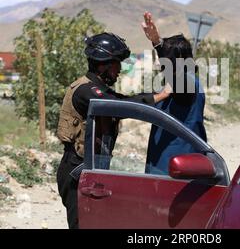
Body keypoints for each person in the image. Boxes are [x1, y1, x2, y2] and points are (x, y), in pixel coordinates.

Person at [56, 32, 171, 229]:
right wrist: (159, 96)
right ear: (104, 64)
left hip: (92, 170)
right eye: (117, 63)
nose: (120, 69)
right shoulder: (87, 90)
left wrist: (155, 96)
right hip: (77, 172)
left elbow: (123, 100)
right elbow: (119, 105)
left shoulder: (99, 89)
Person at [141, 12, 207, 175]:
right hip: (168, 165)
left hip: (178, 169)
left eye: (167, 56)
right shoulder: (173, 83)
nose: (161, 61)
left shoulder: (188, 83)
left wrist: (157, 43)